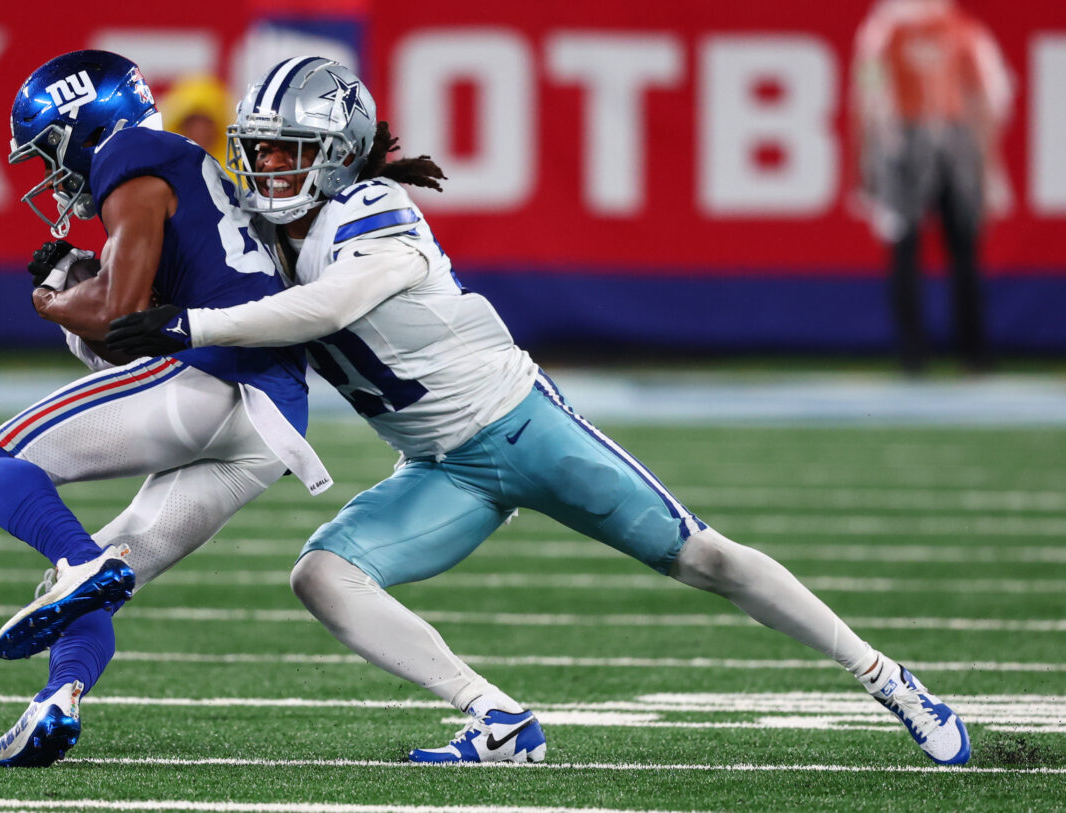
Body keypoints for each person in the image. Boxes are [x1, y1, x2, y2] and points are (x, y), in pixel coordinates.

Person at [107, 57, 971, 766]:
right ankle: (499, 718)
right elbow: (149, 300)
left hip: (520, 428)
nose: (269, 171)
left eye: (291, 152)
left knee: (705, 556)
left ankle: (890, 678)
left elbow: (325, 309)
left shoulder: (376, 209)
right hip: (438, 470)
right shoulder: (259, 242)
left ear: (338, 155)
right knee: (321, 574)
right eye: (259, 152)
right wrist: (82, 293)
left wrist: (190, 320)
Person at [0, 49, 331, 768]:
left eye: (49, 153)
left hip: (213, 376)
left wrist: (55, 303)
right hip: (273, 420)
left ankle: (76, 562)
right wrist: (82, 295)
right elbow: (129, 338)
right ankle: (56, 701)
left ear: (82, 126)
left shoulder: (129, 151)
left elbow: (122, 313)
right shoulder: (182, 168)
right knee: (80, 590)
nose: (50, 175)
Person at [850, 0, 1012, 374]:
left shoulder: (900, 31)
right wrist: (988, 164)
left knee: (941, 250)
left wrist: (864, 160)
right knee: (937, 251)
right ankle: (957, 352)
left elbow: (868, 97)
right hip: (927, 140)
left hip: (915, 142)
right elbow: (985, 100)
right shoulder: (937, 30)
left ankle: (927, 353)